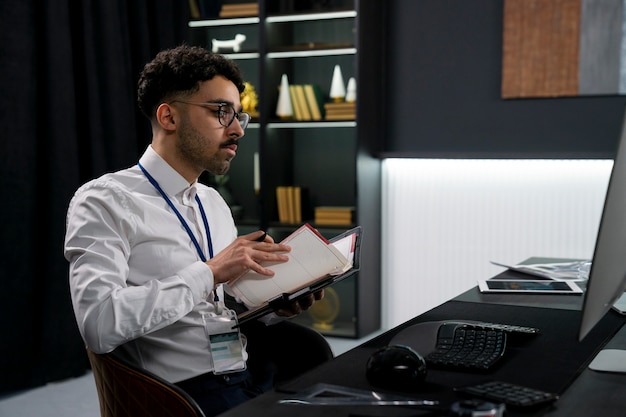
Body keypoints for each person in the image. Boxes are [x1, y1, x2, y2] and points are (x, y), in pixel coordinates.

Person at [64, 44, 323, 416]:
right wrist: (210, 271)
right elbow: (99, 324)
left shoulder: (212, 202)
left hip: (248, 369)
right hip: (182, 397)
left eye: (239, 116)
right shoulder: (104, 201)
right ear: (168, 117)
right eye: (221, 113)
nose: (237, 130)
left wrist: (274, 303)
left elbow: (217, 305)